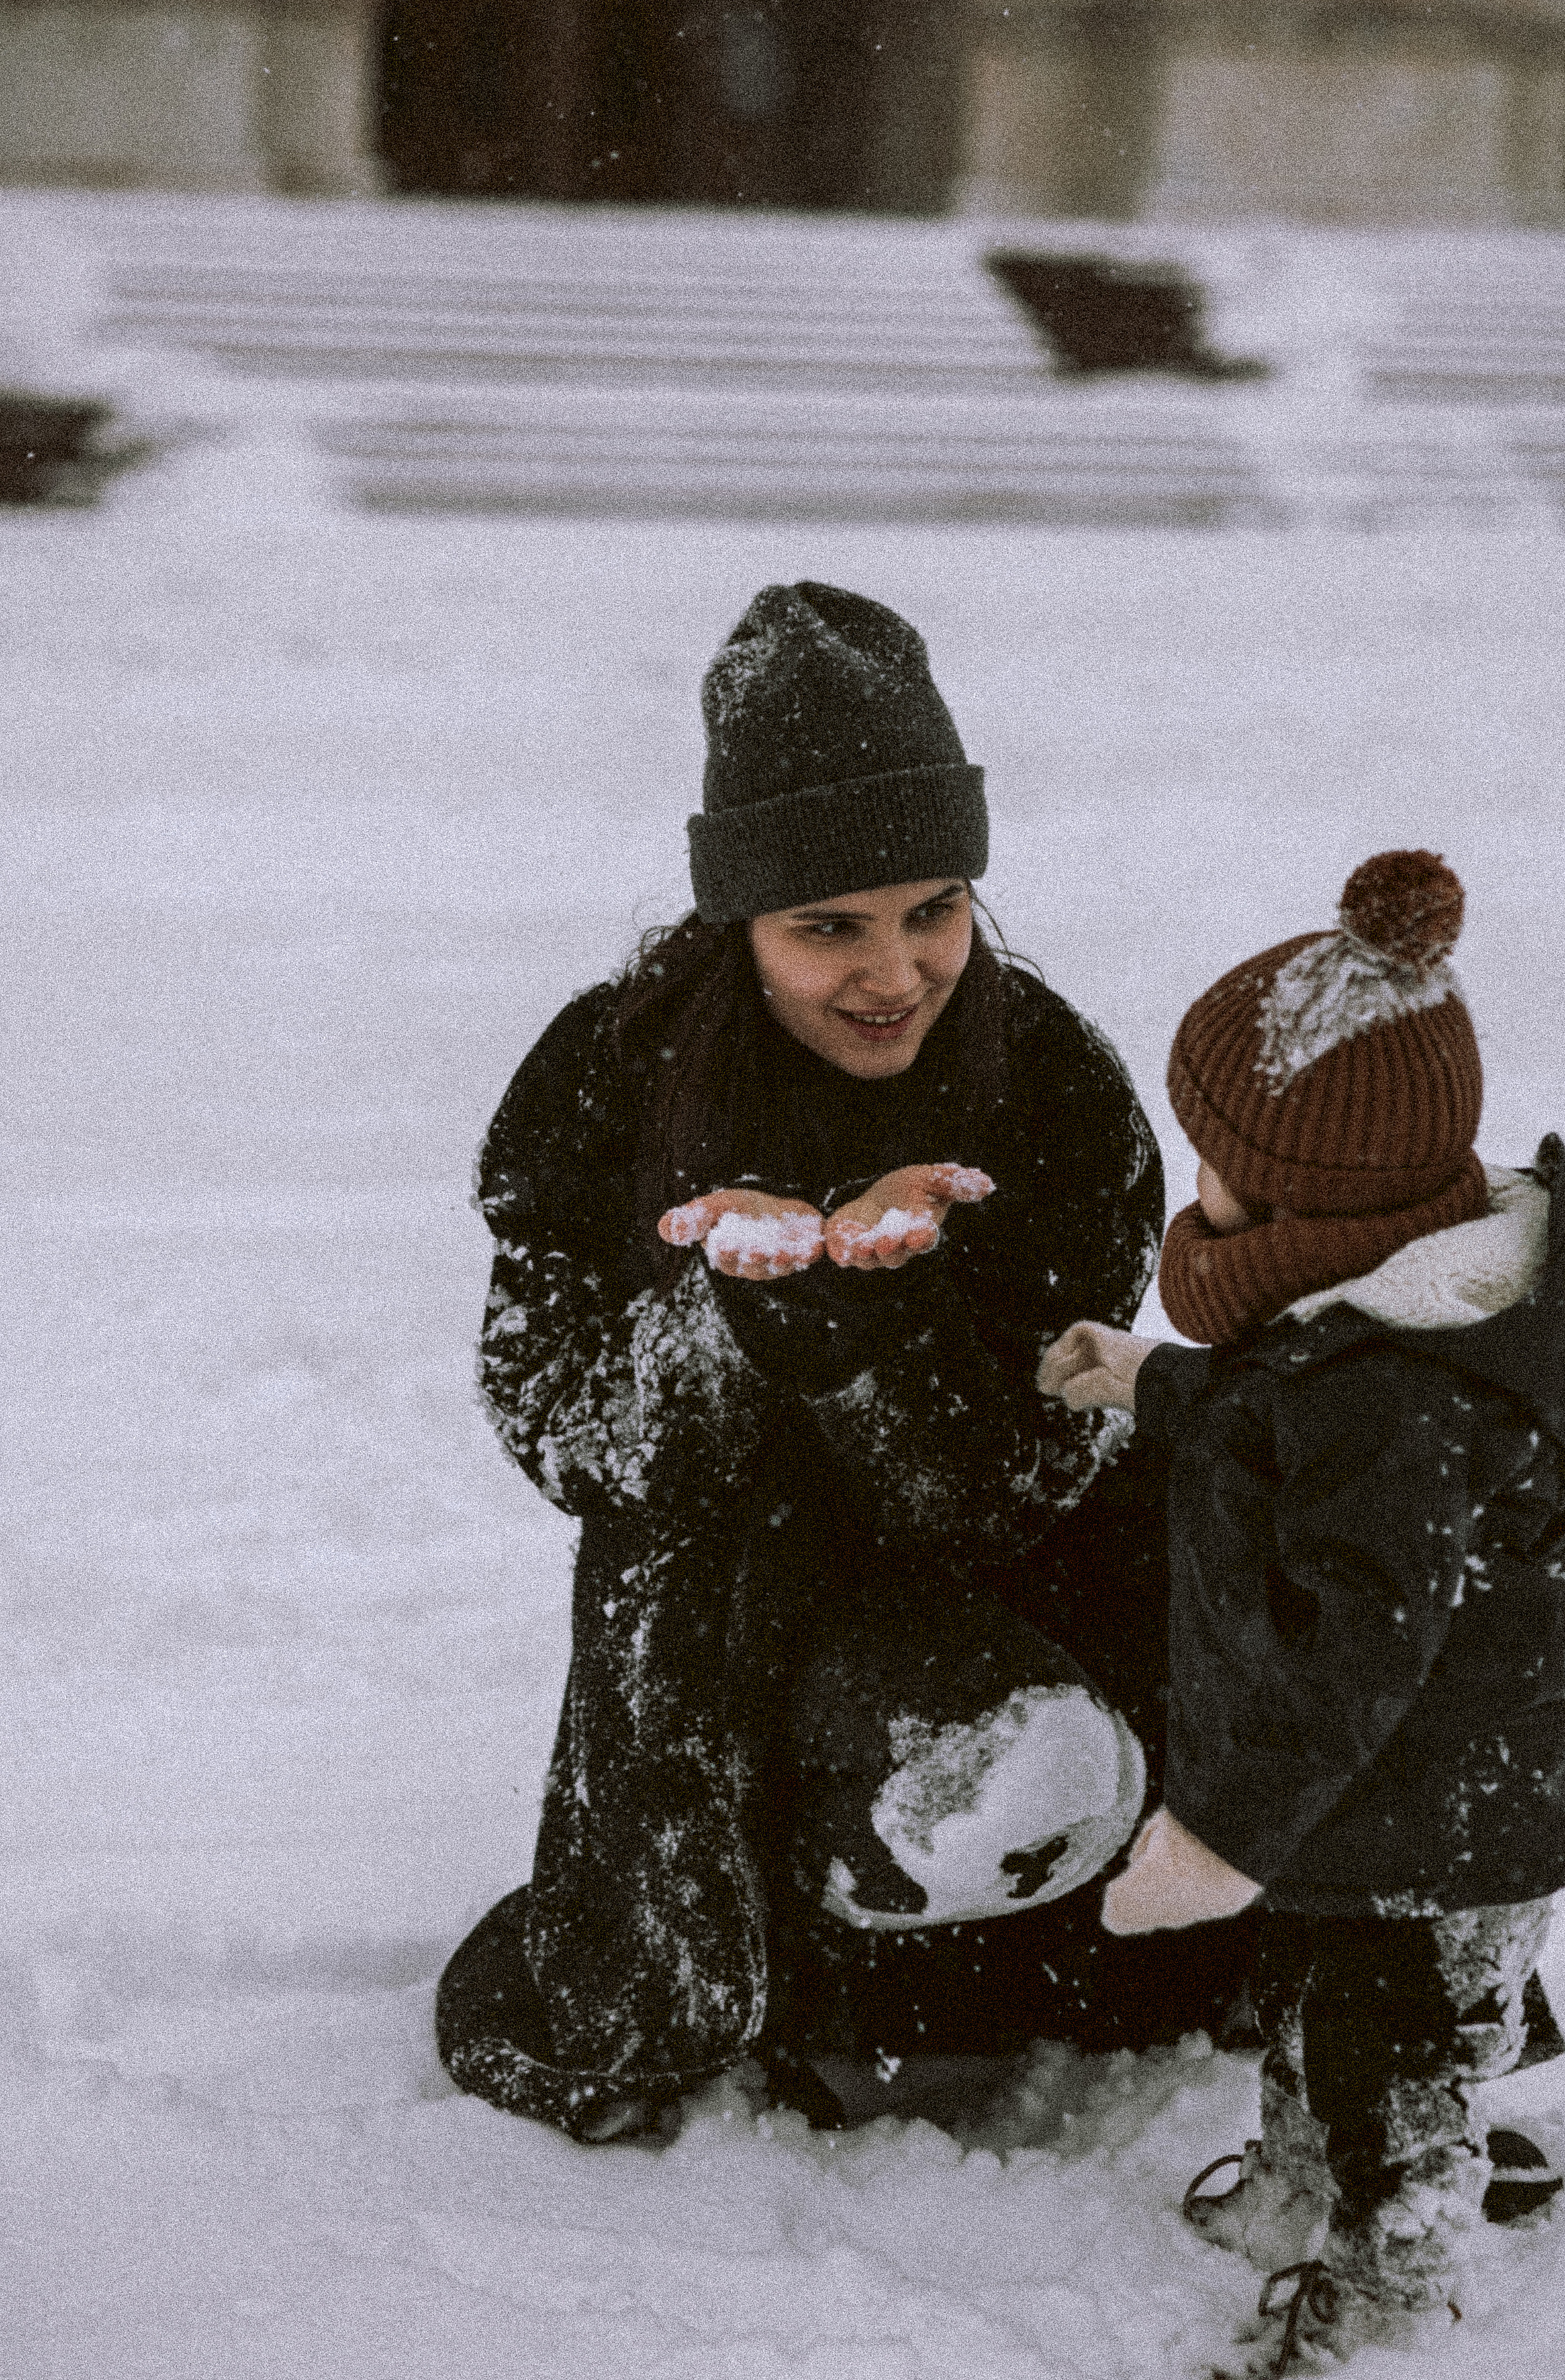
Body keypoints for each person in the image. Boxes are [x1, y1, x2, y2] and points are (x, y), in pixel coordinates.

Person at [436, 579, 1253, 2145]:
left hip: (1008, 1586)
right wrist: (736, 1318)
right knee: (676, 1580)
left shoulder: (1055, 1089)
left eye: (930, 910)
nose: (894, 975)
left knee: (1233, 1491)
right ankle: (693, 1977)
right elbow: (569, 1439)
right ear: (734, 921)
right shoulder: (603, 1081)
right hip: (733, 1619)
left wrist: (881, 1333)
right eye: (828, 928)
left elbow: (1023, 1478)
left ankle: (1149, 1936)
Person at [1039, 847, 1565, 2378]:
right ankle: (1303, 2178)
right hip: (1380, 1813)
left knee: (1387, 2067)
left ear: (1310, 1193)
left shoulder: (1400, 1399)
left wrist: (1216, 1838)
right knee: (1311, 2007)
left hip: (1433, 1819)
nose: (1196, 1189)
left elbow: (1346, 1657)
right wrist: (1150, 1380)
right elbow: (1273, 1426)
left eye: (1212, 1159)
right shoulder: (1368, 1321)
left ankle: (1385, 2283)